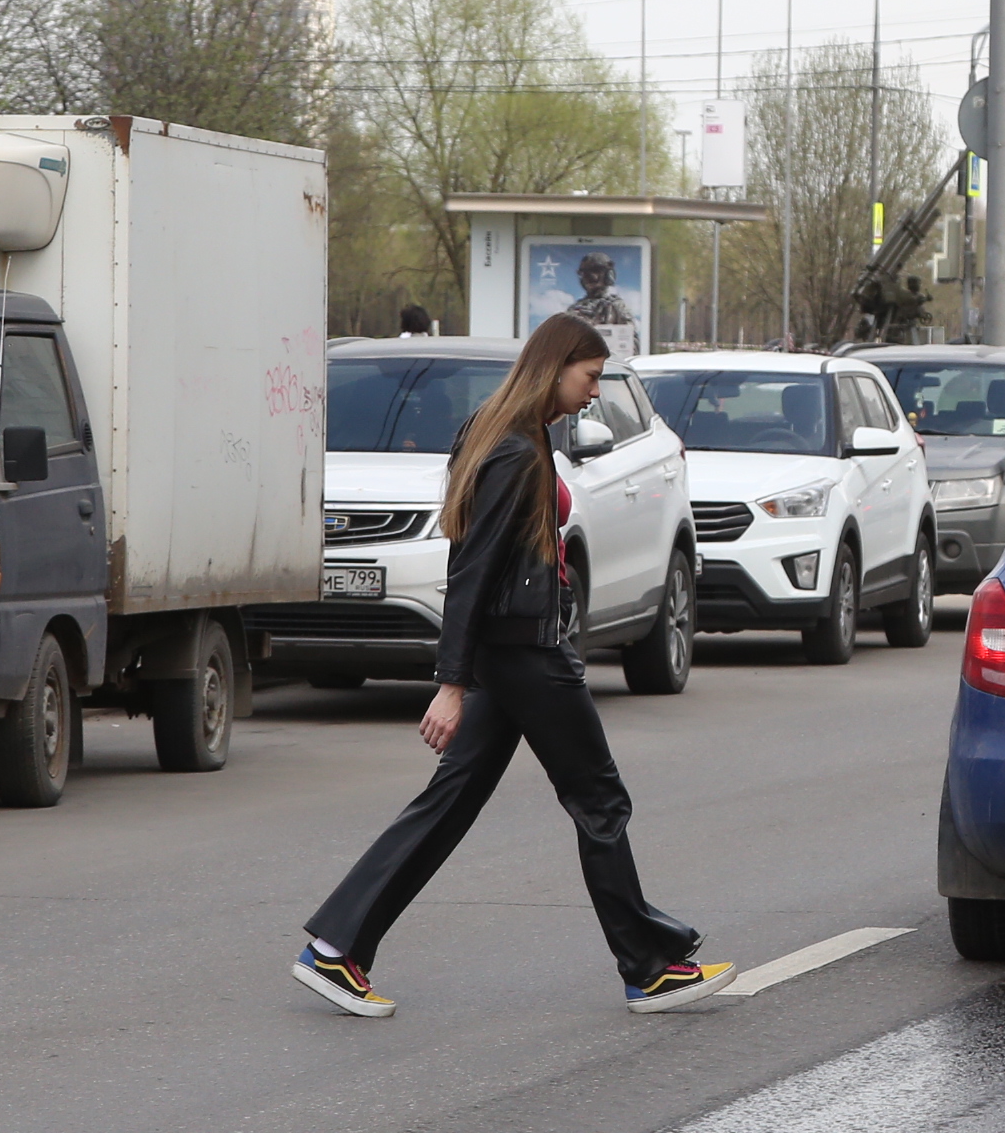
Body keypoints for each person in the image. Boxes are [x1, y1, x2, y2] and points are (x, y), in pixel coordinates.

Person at [292, 312, 724, 1018]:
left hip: (511, 652)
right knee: (600, 801)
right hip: (527, 655)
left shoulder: (503, 433)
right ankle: (648, 967)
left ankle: (337, 949)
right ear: (555, 368)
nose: (593, 394)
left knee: (449, 801)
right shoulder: (516, 452)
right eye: (589, 379)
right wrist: (451, 685)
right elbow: (472, 569)